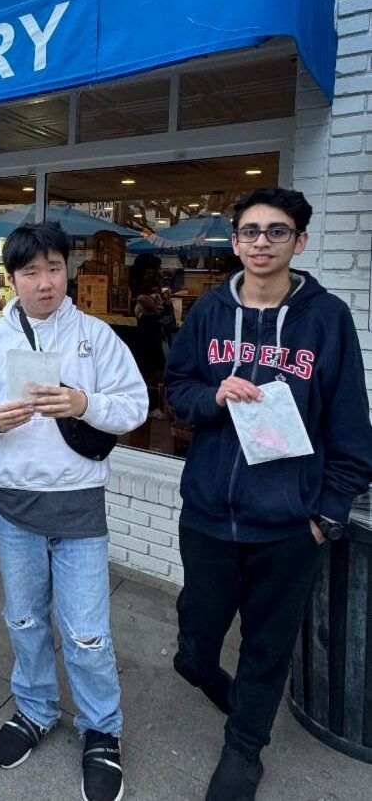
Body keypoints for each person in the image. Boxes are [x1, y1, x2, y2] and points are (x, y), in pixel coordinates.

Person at [164, 187, 372, 801]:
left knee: (266, 646)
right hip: (207, 516)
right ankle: (204, 669)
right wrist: (213, 398)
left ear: (298, 242)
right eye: (250, 231)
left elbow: (351, 428)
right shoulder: (206, 313)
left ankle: (244, 750)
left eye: (276, 231)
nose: (261, 241)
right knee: (198, 636)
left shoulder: (327, 319)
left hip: (288, 526)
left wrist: (326, 516)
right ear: (234, 243)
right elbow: (177, 387)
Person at [0, 222, 148, 801]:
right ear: (12, 278)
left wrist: (83, 402)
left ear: (68, 269)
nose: (45, 282)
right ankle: (36, 708)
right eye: (31, 272)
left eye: (54, 268)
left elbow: (136, 406)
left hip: (79, 507)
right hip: (14, 507)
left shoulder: (97, 336)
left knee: (87, 633)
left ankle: (101, 730)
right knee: (24, 619)